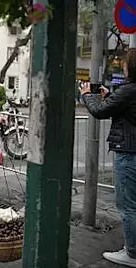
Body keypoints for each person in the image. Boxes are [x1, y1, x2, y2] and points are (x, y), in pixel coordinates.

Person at [81, 49, 136, 267]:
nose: (122, 66)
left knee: (128, 206)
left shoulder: (129, 90)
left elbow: (100, 111)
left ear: (130, 66)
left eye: (124, 63)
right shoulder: (127, 91)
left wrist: (87, 95)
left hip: (128, 152)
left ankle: (131, 253)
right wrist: (108, 95)